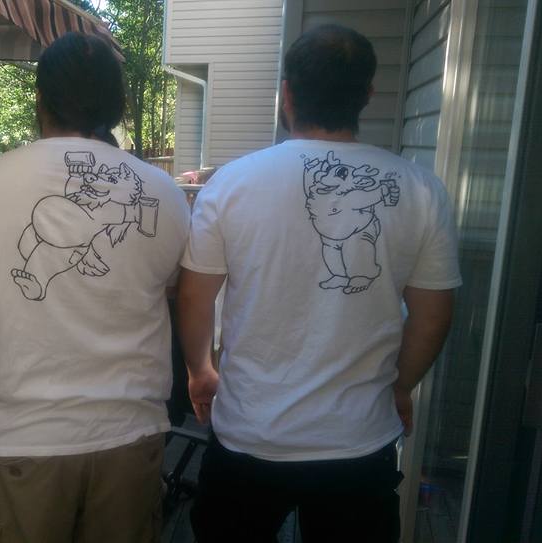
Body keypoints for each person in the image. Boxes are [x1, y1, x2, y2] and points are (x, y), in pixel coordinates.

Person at [177, 24, 461, 542]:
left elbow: (196, 295)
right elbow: (434, 315)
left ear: (286, 94)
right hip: (359, 444)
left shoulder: (232, 183)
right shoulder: (421, 189)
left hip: (249, 438)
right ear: (367, 95)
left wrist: (200, 370)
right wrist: (399, 385)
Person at [0, 32, 190, 543]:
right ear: (116, 104)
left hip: (22, 440)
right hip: (131, 436)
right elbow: (172, 291)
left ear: (41, 100)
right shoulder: (164, 194)